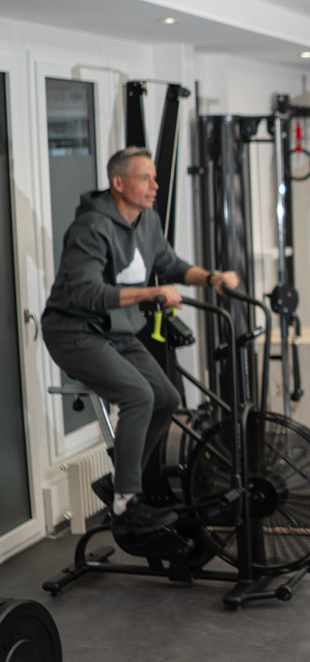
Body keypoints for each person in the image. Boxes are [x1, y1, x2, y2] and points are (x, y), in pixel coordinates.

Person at [42, 147, 239, 535]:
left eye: (154, 178)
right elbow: (86, 294)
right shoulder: (91, 228)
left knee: (166, 398)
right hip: (74, 331)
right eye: (144, 178)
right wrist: (151, 294)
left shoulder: (147, 220)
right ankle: (127, 502)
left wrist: (212, 277)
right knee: (139, 396)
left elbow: (171, 265)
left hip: (117, 330)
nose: (154, 185)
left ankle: (123, 484)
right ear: (119, 183)